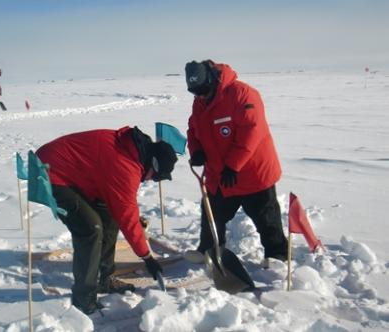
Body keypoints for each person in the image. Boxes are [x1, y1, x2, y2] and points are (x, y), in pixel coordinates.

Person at [36, 126, 178, 314]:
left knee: (110, 215)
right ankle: (83, 299)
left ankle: (104, 278)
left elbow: (122, 209)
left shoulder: (132, 150)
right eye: (156, 177)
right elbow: (128, 217)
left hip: (71, 172)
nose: (152, 181)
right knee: (90, 228)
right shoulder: (126, 167)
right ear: (153, 164)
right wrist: (147, 257)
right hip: (48, 173)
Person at [184, 60, 288, 266]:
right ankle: (209, 249)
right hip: (220, 173)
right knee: (212, 214)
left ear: (213, 80)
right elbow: (193, 127)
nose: (200, 96)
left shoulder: (243, 94)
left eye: (203, 91)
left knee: (265, 217)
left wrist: (233, 165)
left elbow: (251, 132)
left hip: (253, 171)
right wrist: (196, 150)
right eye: (195, 93)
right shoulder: (200, 101)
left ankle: (278, 255)